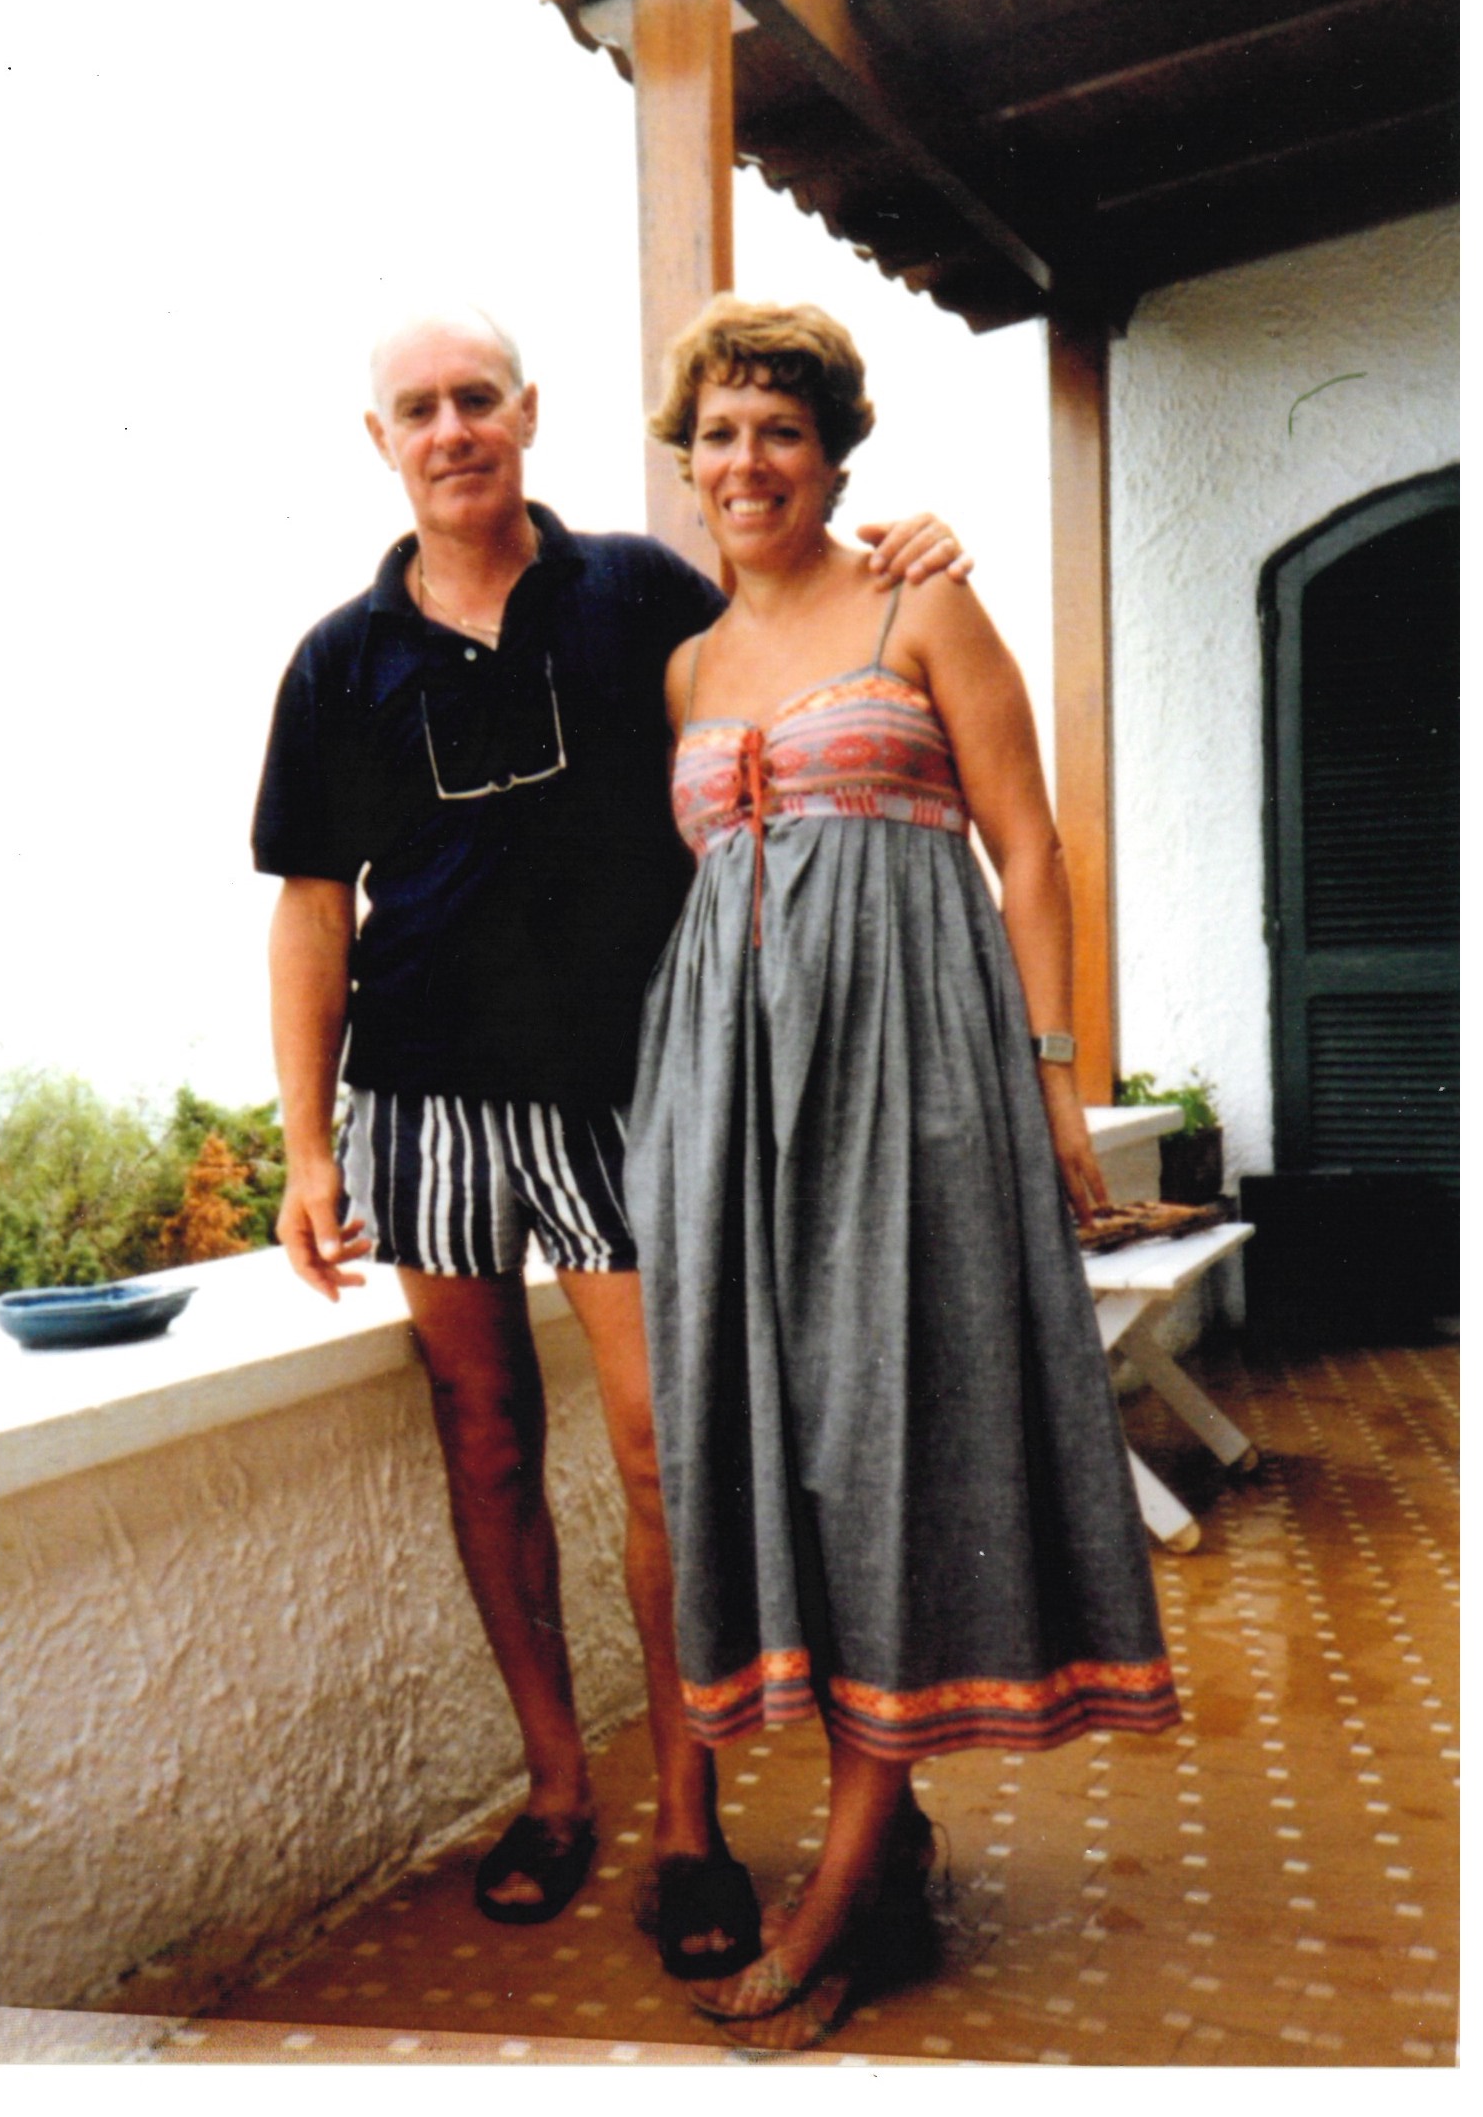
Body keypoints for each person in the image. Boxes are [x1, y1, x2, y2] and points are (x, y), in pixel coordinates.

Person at [251, 300, 970, 1970]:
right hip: (420, 1101)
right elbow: (312, 905)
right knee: (486, 1439)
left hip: (632, 1086)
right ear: (382, 441)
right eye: (419, 407)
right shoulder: (341, 659)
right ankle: (558, 1785)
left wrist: (914, 552)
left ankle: (687, 1820)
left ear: (527, 414)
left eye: (477, 397)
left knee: (665, 1452)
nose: (452, 428)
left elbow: (799, 645)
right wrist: (308, 1149)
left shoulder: (639, 592)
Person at [623, 296, 1181, 2049]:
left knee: (892, 1453)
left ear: (834, 454)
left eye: (781, 431)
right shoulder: (685, 669)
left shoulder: (917, 601)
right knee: (785, 1464)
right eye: (720, 433)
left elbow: (1029, 846)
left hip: (913, 1095)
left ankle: (846, 1882)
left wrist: (1055, 1079)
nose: (748, 462)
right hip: (730, 1122)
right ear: (688, 462)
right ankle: (889, 1837)